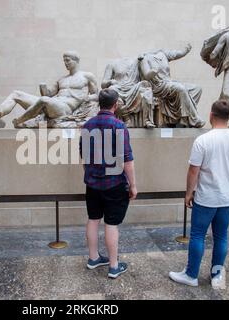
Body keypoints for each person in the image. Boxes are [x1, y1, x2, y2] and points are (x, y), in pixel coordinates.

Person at [169, 99, 229, 289]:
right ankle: (217, 276)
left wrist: (188, 193)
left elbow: (193, 171)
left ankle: (191, 275)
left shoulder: (203, 140)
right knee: (221, 236)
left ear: (211, 115)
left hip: (207, 198)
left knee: (197, 235)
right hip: (228, 197)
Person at [79, 88, 137, 279]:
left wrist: (90, 175)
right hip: (114, 184)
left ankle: (93, 258)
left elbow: (84, 157)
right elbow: (127, 159)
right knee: (111, 224)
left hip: (93, 184)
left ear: (99, 103)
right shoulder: (119, 126)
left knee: (93, 219)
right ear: (116, 104)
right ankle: (113, 266)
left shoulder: (87, 126)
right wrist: (133, 185)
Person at [0, 51, 98, 127]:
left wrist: (88, 98)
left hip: (66, 109)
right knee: (16, 94)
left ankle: (19, 121)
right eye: (64, 61)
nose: (65, 63)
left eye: (68, 60)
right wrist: (43, 87)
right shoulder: (61, 79)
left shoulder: (87, 76)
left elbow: (96, 95)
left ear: (76, 61)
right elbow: (47, 94)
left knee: (44, 100)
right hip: (52, 105)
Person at [138, 44, 205, 128]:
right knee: (180, 89)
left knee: (197, 89)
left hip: (169, 83)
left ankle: (183, 118)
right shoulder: (144, 58)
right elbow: (146, 75)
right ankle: (194, 119)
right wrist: (154, 71)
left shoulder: (163, 54)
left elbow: (177, 54)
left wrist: (186, 50)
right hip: (158, 86)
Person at [101, 57, 155, 128]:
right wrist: (110, 81)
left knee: (146, 90)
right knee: (112, 91)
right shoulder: (112, 63)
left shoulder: (138, 61)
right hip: (118, 88)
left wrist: (153, 71)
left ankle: (147, 120)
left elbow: (147, 75)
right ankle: (126, 118)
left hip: (134, 88)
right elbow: (103, 84)